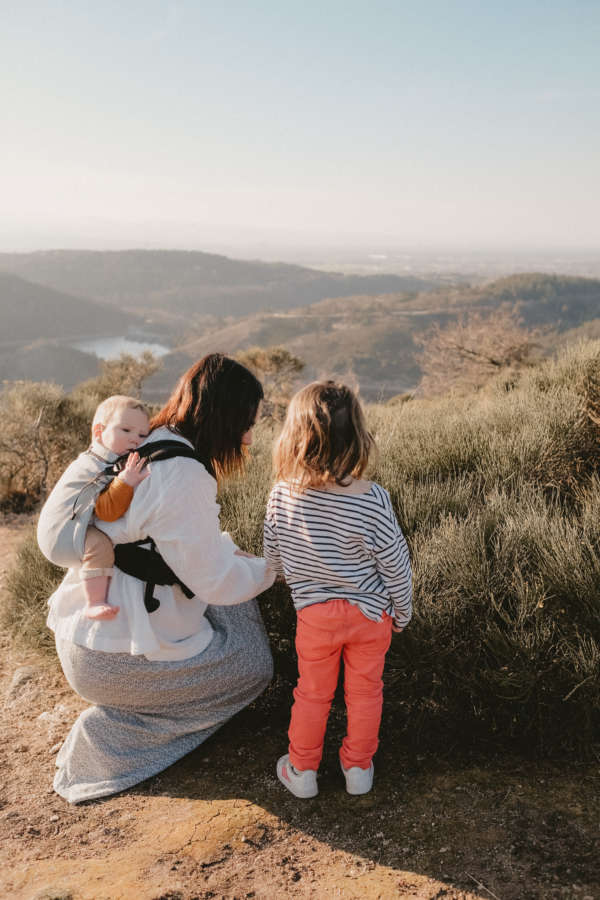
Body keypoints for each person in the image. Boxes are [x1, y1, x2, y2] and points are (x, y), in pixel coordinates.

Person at [40, 354, 275, 803]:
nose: (247, 438)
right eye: (246, 423)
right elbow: (217, 582)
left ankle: (139, 706)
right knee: (253, 669)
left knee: (234, 578)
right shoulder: (184, 474)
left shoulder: (156, 439)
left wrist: (232, 556)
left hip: (87, 635)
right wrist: (272, 569)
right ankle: (112, 738)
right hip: (111, 661)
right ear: (223, 417)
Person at [263, 381, 412, 798]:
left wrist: (280, 576)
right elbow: (395, 564)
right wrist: (402, 611)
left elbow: (272, 557)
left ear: (295, 435)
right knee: (365, 694)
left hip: (316, 616)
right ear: (356, 436)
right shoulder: (373, 498)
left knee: (312, 693)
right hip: (370, 615)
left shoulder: (281, 496)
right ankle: (358, 769)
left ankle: (303, 770)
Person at [39, 395, 152, 621]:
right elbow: (108, 511)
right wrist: (125, 482)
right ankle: (95, 602)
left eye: (142, 435)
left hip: (59, 529)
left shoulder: (98, 459)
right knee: (100, 546)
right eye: (126, 430)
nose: (135, 440)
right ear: (99, 432)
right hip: (61, 535)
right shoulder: (99, 467)